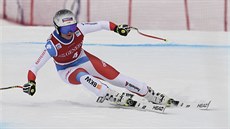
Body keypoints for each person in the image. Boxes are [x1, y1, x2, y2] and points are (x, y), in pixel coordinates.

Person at [23, 9, 173, 106]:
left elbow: (102, 24)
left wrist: (117, 28)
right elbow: (34, 66)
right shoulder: (53, 45)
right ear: (57, 28)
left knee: (117, 78)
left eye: (72, 27)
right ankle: (107, 93)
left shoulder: (80, 29)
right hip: (67, 70)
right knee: (82, 76)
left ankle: (148, 92)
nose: (71, 31)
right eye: (67, 29)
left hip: (83, 58)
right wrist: (31, 82)